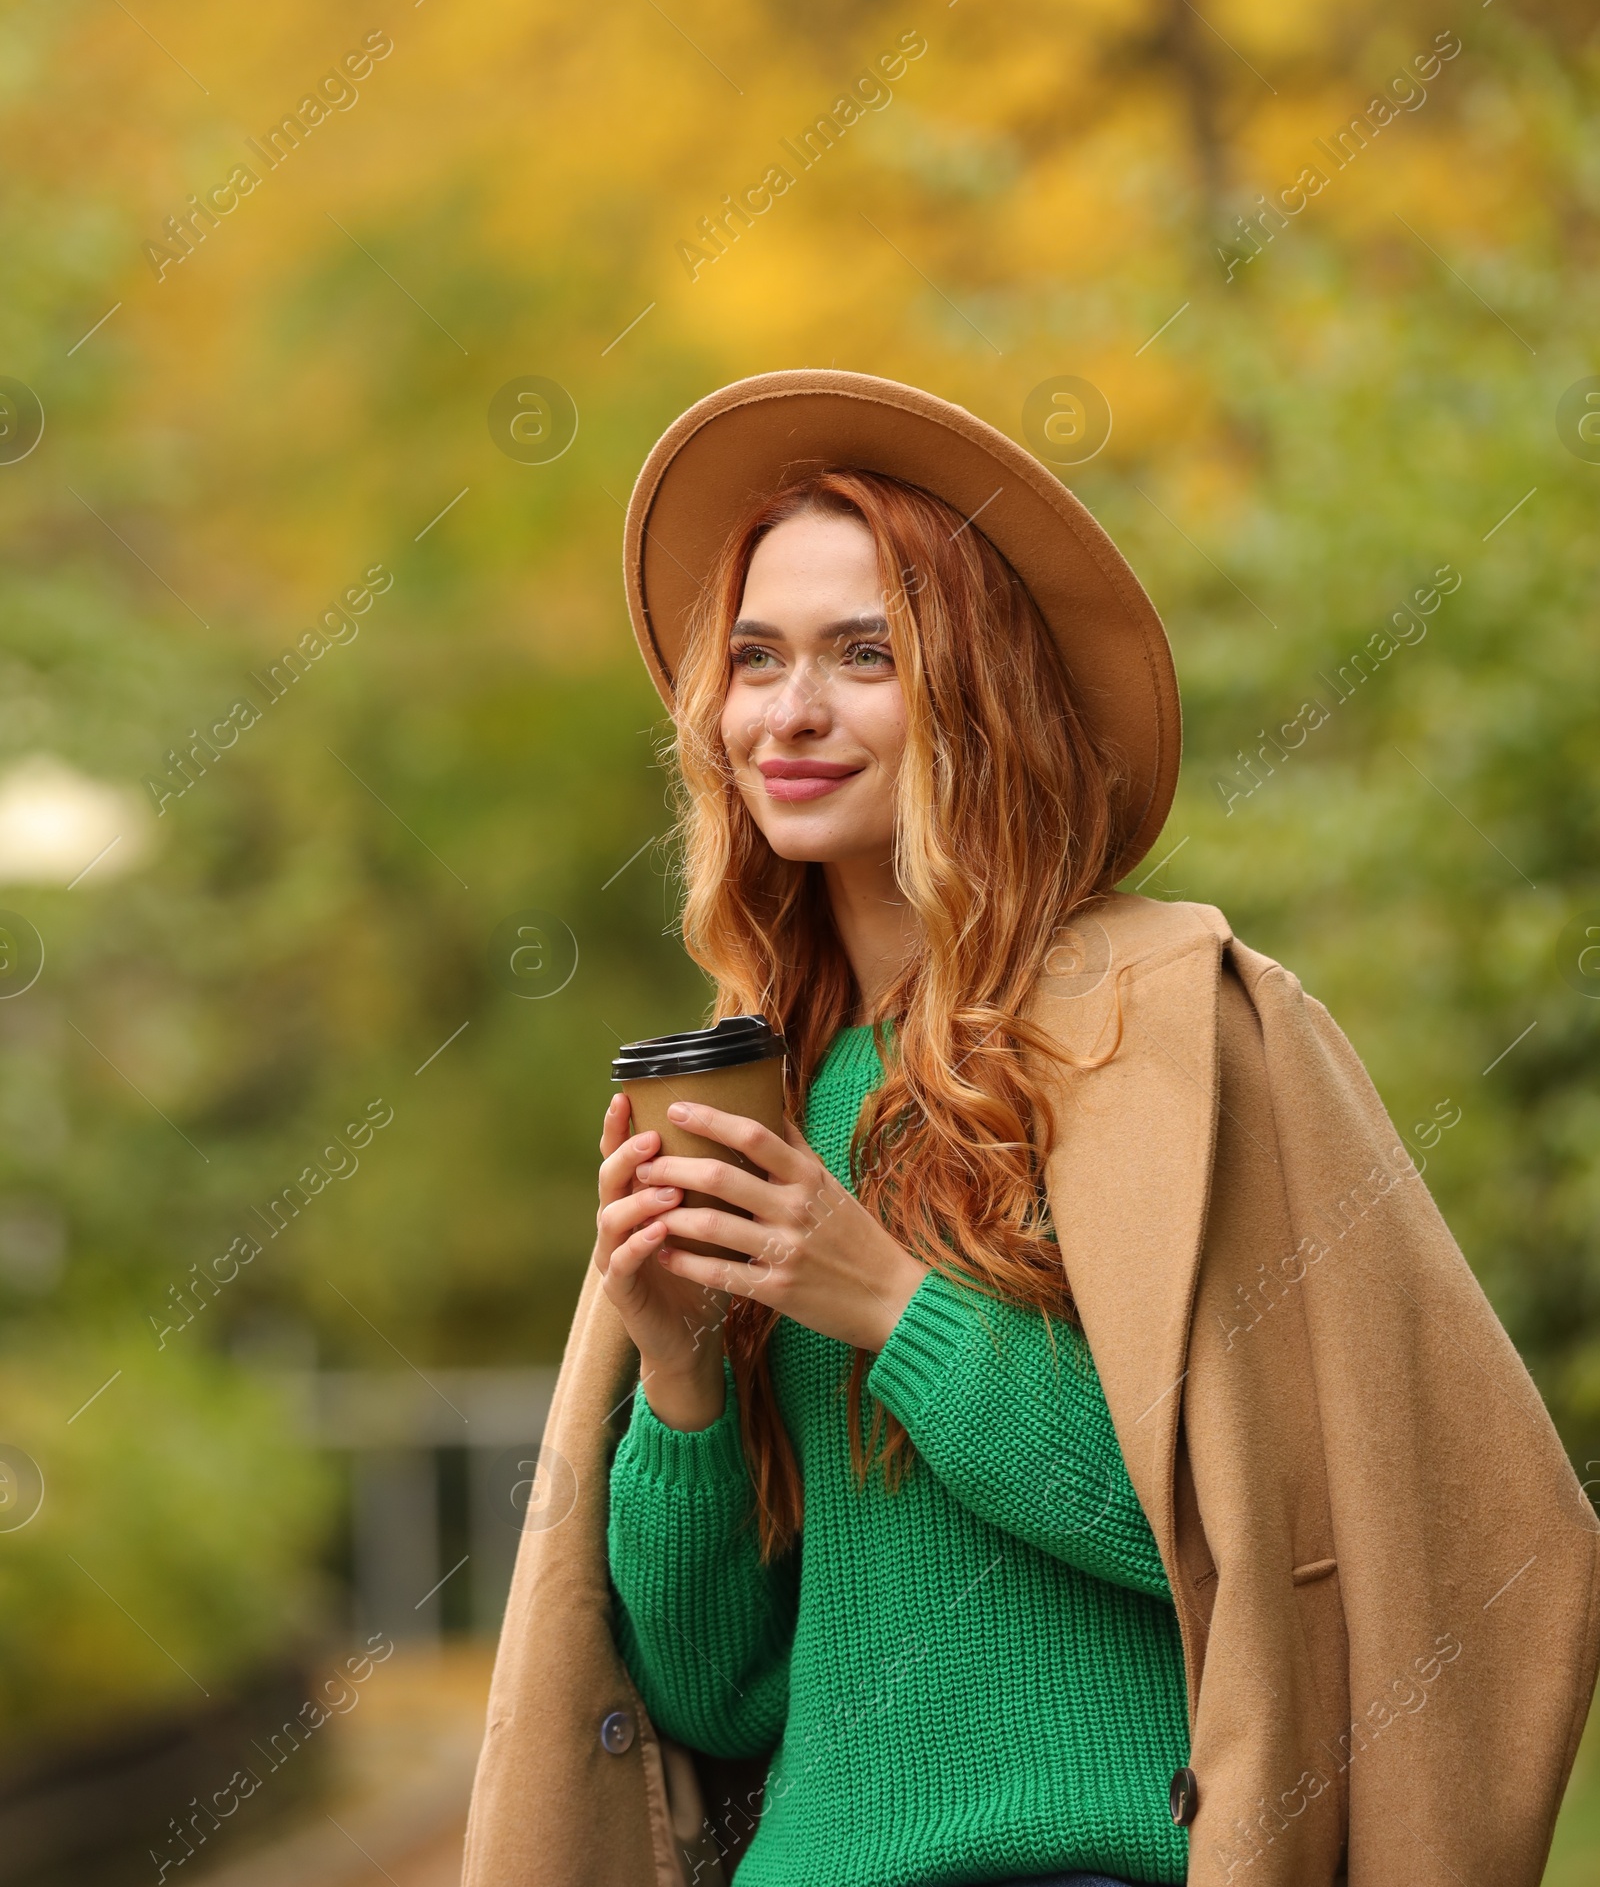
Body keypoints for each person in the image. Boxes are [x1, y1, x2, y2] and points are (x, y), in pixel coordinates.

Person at [462, 371, 1600, 1887]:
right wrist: (676, 1368)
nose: (791, 710)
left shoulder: (1171, 1028)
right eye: (755, 659)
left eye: (865, 656)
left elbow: (1281, 1563)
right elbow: (707, 1695)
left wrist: (882, 1301)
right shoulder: (761, 1089)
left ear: (976, 690)